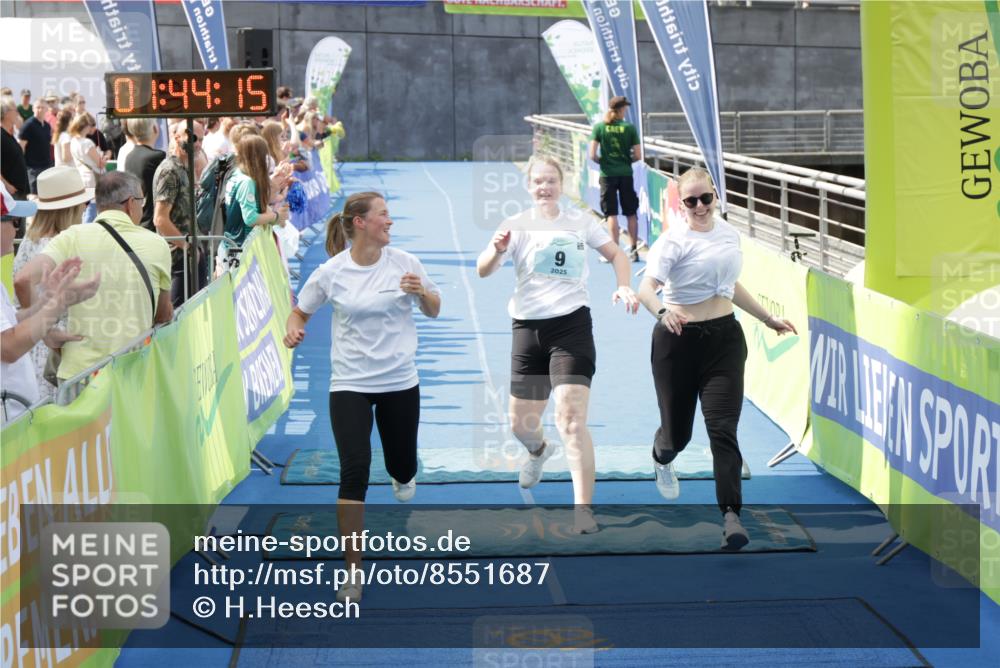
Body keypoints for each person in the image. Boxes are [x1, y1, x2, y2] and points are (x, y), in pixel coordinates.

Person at [284, 191, 441, 603]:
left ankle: (402, 472)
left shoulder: (406, 263)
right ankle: (353, 571)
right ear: (359, 223)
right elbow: (300, 310)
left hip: (399, 380)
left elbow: (435, 308)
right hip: (350, 382)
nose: (390, 221)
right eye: (383, 215)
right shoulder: (332, 272)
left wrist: (422, 292)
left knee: (402, 466)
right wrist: (293, 329)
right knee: (354, 469)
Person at [476, 156, 639, 533]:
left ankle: (583, 510)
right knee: (521, 424)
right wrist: (498, 249)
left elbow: (615, 254)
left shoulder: (580, 222)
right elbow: (482, 270)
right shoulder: (515, 225)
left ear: (561, 184)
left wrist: (623, 285)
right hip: (528, 331)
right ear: (529, 186)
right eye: (538, 182)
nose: (545, 187)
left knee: (570, 419)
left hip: (571, 329)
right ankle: (537, 450)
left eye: (551, 181)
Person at [637, 167, 797, 551]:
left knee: (722, 429)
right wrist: (663, 312)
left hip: (724, 340)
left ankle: (731, 517)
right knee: (678, 435)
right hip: (677, 342)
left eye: (705, 198)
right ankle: (661, 456)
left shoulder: (728, 234)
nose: (699, 207)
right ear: (681, 203)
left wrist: (766, 318)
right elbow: (646, 288)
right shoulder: (673, 241)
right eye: (690, 201)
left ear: (715, 196)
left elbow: (730, 285)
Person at [16, 171, 173, 385]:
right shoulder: (157, 244)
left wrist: (46, 331)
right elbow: (163, 314)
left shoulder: (70, 237)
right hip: (132, 371)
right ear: (130, 204)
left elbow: (22, 279)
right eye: (142, 202)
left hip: (77, 374)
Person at [2, 188, 98, 422]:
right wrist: (56, 305)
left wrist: (45, 303)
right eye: (12, 220)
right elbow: (8, 346)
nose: (17, 228)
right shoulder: (57, 242)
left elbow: (11, 319)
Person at [12, 167, 91, 403]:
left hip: (31, 343)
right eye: (82, 204)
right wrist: (44, 327)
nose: (85, 209)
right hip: (51, 346)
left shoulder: (30, 239)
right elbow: (23, 280)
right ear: (71, 209)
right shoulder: (59, 244)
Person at [153, 120, 208, 306]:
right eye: (192, 137)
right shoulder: (170, 170)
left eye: (201, 139)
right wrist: (186, 246)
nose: (198, 143)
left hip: (190, 257)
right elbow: (160, 219)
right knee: (177, 318)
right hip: (178, 261)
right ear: (177, 137)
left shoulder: (184, 168)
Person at [589, 96, 642, 263]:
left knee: (611, 214)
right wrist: (626, 161)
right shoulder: (630, 128)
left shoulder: (599, 128)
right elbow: (638, 155)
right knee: (631, 212)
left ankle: (614, 253)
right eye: (625, 108)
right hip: (625, 174)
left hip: (607, 174)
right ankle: (634, 250)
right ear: (621, 110)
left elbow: (592, 155)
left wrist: (604, 162)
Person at [123, 118, 164, 231]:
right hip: (153, 223)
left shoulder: (129, 157)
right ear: (155, 129)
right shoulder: (157, 157)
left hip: (138, 220)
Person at [68, 112, 105, 224]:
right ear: (85, 126)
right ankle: (86, 229)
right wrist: (103, 157)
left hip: (81, 176)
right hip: (92, 178)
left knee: (84, 208)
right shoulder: (87, 143)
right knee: (92, 208)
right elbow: (100, 163)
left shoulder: (73, 141)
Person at [19, 98, 53, 194]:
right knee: (35, 197)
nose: (40, 110)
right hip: (33, 168)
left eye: (43, 107)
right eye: (38, 107)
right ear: (33, 109)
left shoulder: (47, 126)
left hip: (47, 166)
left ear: (46, 109)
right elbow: (21, 148)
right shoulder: (28, 125)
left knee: (47, 195)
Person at [1, 98, 28, 200]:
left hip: (19, 191)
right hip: (11, 194)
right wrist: (7, 185)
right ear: (6, 113)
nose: (18, 113)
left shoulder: (10, 134)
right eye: (15, 110)